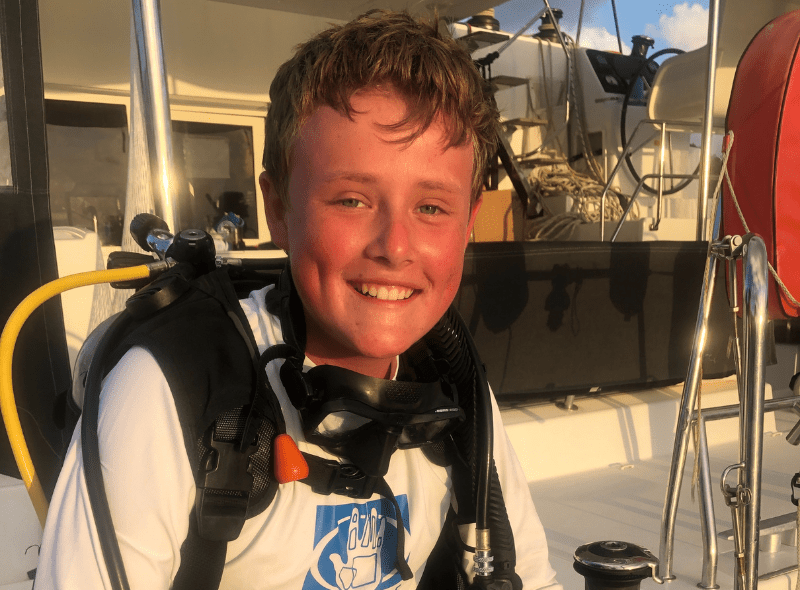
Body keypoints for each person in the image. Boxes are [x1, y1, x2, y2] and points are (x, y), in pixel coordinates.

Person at [37, 10, 562, 590]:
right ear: (279, 210)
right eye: (352, 200)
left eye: (432, 208)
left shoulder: (457, 384)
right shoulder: (174, 385)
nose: (394, 247)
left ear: (468, 224)